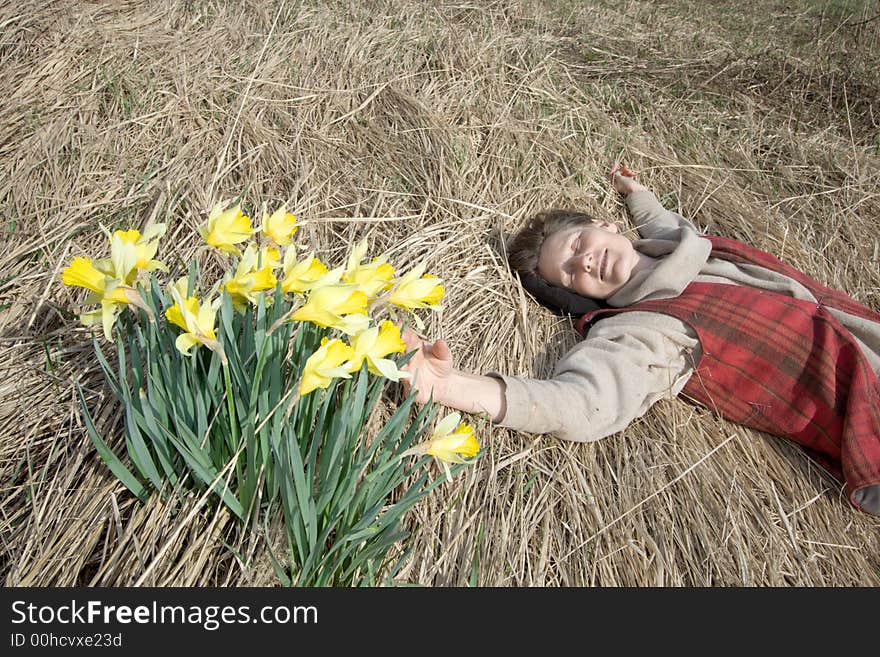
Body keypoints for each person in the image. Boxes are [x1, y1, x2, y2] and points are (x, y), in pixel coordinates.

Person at [401, 164, 880, 517]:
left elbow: (663, 225)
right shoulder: (645, 328)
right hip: (865, 410)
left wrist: (636, 192)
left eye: (574, 247)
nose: (583, 264)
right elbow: (582, 403)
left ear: (604, 226)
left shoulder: (678, 247)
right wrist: (451, 386)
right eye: (570, 275)